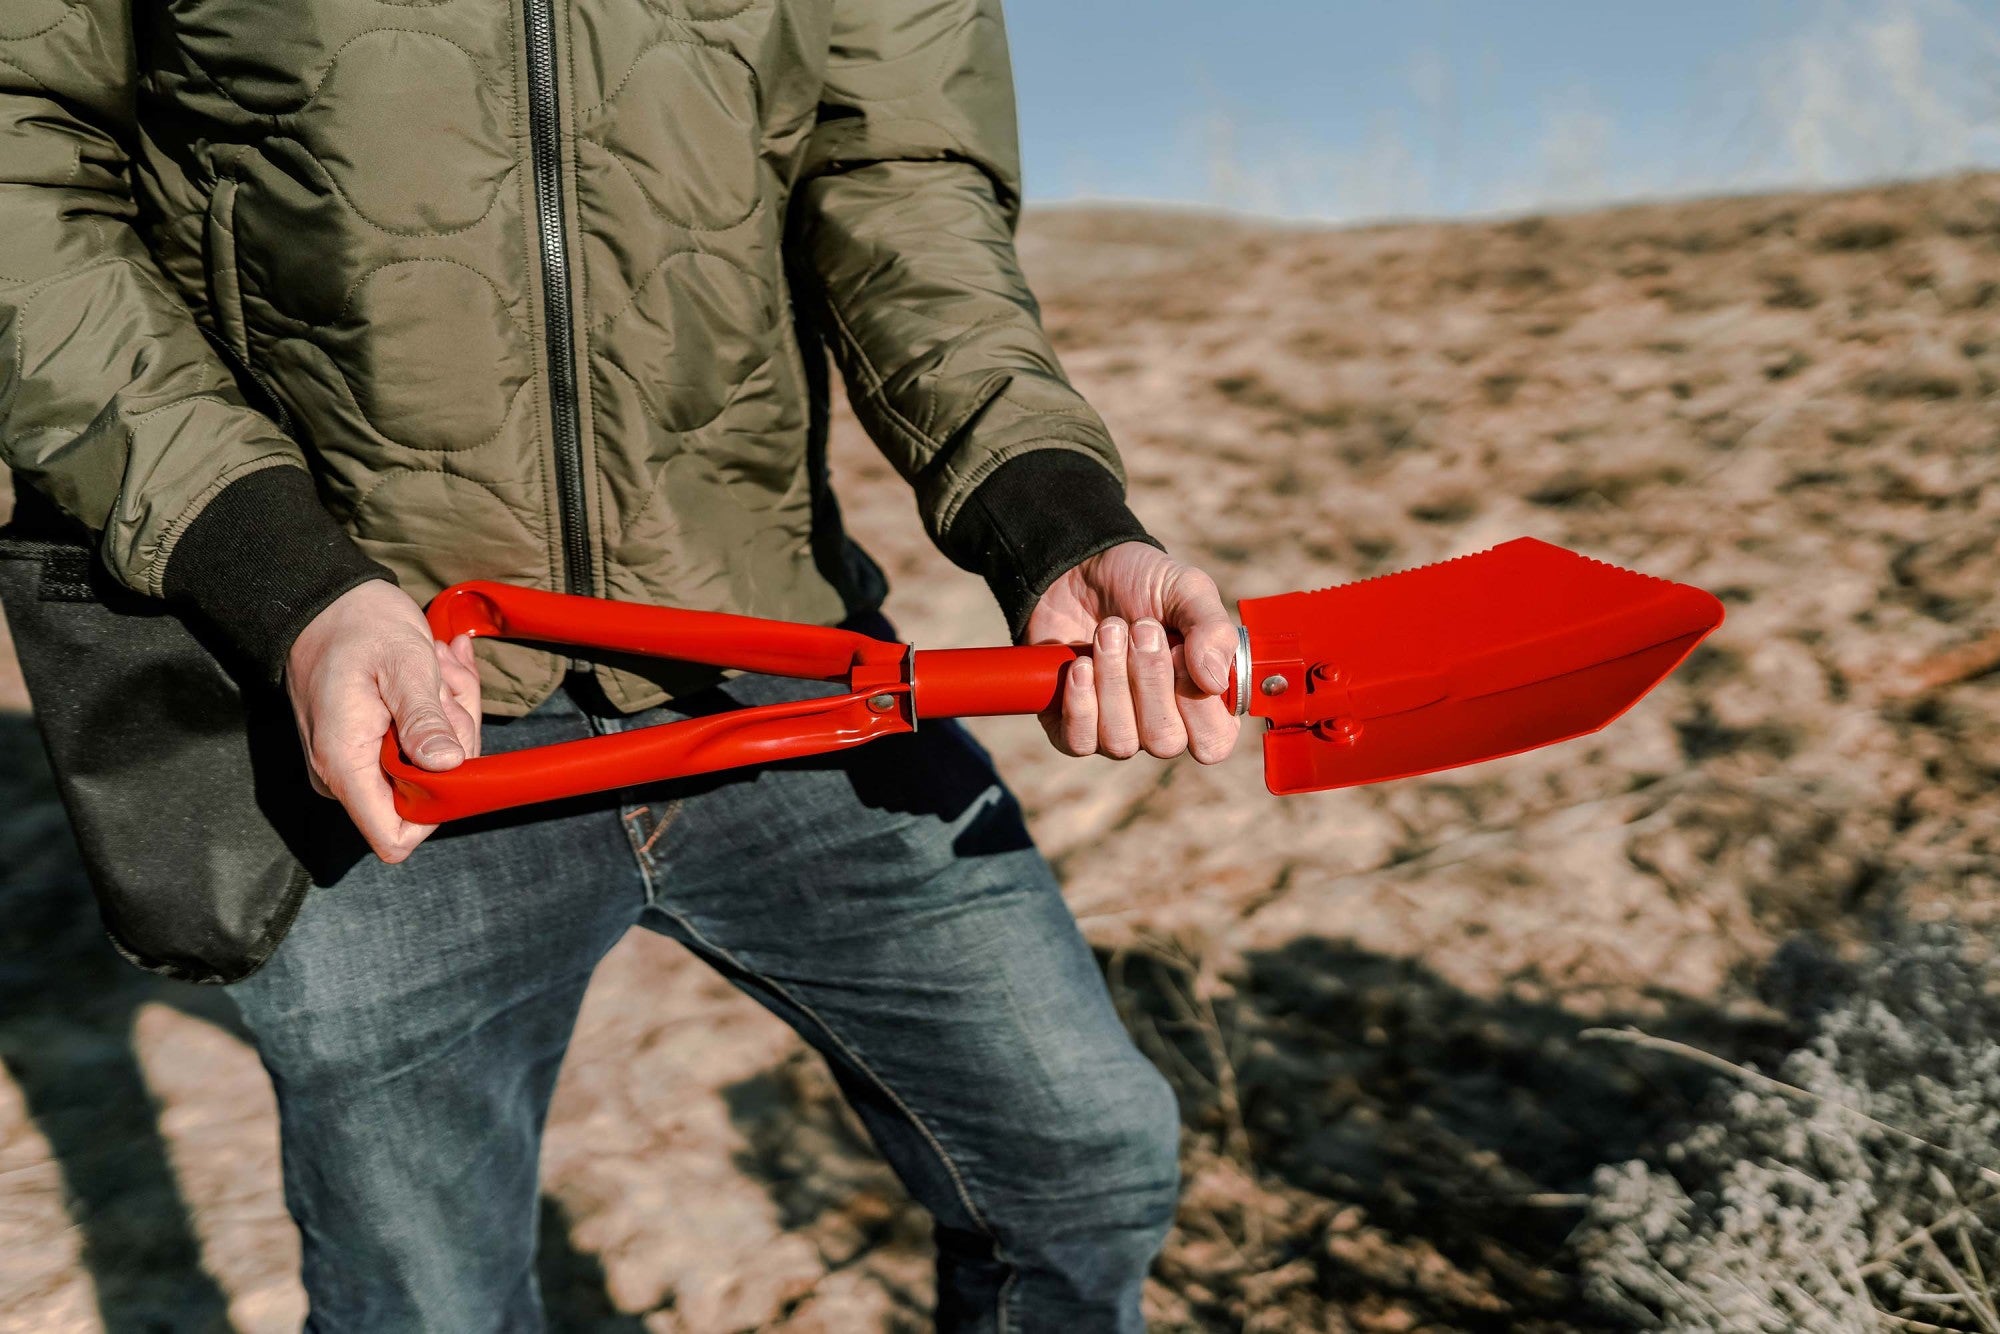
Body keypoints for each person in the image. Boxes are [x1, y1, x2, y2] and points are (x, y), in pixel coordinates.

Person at [0, 1, 1240, 1328]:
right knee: (425, 1303)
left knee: (1081, 1163)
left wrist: (1050, 516)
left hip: (773, 649)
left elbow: (899, 182)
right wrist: (283, 579)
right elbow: (25, 166)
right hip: (383, 690)